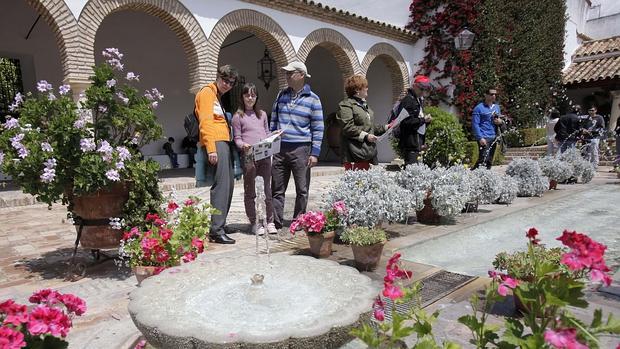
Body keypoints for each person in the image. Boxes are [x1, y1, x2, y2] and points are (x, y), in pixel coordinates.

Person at [270, 61, 323, 231]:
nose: (286, 76)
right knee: (277, 188)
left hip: (301, 149)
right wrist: (272, 141)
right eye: (286, 73)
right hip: (280, 149)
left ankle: (298, 221)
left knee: (302, 189)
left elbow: (318, 127)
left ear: (301, 75)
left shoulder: (313, 99)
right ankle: (276, 222)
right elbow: (274, 119)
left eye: (290, 73)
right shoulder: (281, 95)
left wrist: (314, 153)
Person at [194, 65, 239, 244]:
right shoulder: (207, 93)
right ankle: (216, 230)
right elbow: (205, 122)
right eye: (225, 80)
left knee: (228, 186)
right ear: (218, 77)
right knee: (221, 186)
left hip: (223, 142)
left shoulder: (216, 95)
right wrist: (211, 148)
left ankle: (220, 223)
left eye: (231, 82)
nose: (227, 84)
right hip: (216, 143)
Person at [231, 83, 278, 235]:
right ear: (242, 97)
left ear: (257, 97)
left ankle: (269, 221)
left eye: (253, 95)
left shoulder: (262, 114)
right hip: (249, 156)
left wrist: (275, 135)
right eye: (247, 95)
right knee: (250, 190)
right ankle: (255, 223)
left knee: (266, 190)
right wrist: (242, 145)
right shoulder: (238, 116)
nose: (250, 98)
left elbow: (266, 133)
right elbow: (237, 138)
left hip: (264, 154)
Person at [336, 74, 389, 170]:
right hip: (353, 153)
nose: (367, 89)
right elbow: (347, 127)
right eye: (365, 87)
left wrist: (386, 127)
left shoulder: (364, 105)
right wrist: (366, 136)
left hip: (367, 151)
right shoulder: (346, 105)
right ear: (357, 90)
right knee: (356, 183)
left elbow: (369, 127)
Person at [392, 75, 433, 165]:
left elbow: (416, 123)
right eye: (421, 89)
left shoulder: (417, 100)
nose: (423, 92)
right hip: (410, 144)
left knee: (417, 172)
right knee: (412, 173)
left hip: (417, 143)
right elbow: (405, 122)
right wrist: (423, 120)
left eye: (425, 89)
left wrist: (426, 121)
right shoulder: (408, 100)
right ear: (414, 86)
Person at [472, 88, 504, 169]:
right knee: (483, 159)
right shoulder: (478, 108)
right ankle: (473, 175)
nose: (493, 96)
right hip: (484, 137)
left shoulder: (497, 107)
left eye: (495, 94)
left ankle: (486, 178)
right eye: (491, 94)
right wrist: (480, 138)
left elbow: (499, 119)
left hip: (494, 136)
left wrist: (500, 121)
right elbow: (475, 124)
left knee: (489, 160)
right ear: (485, 95)